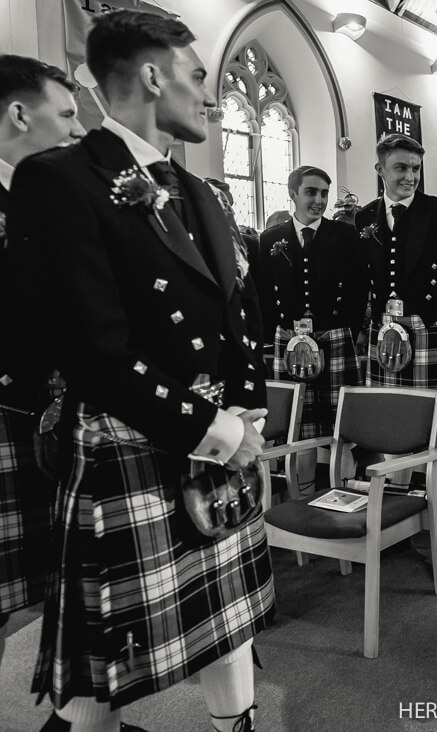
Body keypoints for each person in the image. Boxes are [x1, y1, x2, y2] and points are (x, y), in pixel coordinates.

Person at [8, 11, 272, 731]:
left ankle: (236, 725)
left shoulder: (202, 191)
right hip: (133, 437)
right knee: (108, 652)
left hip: (215, 437)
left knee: (229, 619)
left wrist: (247, 409)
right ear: (152, 76)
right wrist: (213, 428)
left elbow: (235, 310)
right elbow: (92, 346)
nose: (208, 96)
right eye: (195, 77)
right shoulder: (59, 178)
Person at [0, 53, 83, 698]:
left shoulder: (28, 196)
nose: (78, 129)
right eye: (67, 114)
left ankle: (69, 714)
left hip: (36, 405)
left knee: (53, 576)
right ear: (20, 115)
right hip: (6, 405)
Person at [354, 133, 437, 578]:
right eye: (401, 167)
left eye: (415, 169)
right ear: (380, 169)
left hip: (428, 333)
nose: (409, 176)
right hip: (381, 342)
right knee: (388, 435)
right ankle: (399, 527)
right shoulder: (362, 218)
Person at [255, 166, 367, 438]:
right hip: (290, 337)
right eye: (311, 192)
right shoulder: (270, 238)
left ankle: (341, 479)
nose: (319, 200)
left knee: (343, 428)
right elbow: (264, 291)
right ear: (293, 193)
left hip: (335, 334)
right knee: (295, 428)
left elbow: (358, 288)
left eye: (324, 193)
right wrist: (277, 330)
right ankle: (303, 482)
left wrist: (345, 331)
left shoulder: (344, 234)